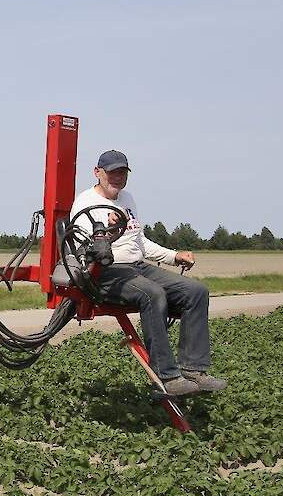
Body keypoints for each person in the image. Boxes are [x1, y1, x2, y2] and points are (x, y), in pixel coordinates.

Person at [69, 150, 226, 396]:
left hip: (137, 266)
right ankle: (168, 376)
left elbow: (140, 243)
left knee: (196, 292)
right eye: (111, 172)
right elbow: (84, 250)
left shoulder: (128, 199)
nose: (117, 177)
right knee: (152, 294)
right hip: (106, 272)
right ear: (97, 172)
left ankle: (194, 369)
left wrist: (174, 256)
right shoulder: (85, 202)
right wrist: (109, 233)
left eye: (122, 172)